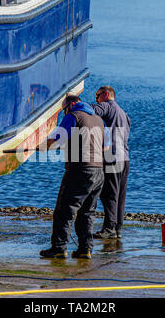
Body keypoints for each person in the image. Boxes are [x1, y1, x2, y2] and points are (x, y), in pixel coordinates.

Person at [37, 95, 109, 259]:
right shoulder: (98, 119)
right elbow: (106, 146)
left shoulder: (73, 116)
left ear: (72, 104)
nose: (64, 113)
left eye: (63, 110)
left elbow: (56, 139)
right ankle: (85, 249)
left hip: (79, 170)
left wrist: (40, 147)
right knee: (87, 212)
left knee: (64, 211)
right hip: (98, 171)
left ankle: (59, 248)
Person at [91, 86, 131, 239]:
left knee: (109, 194)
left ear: (106, 94)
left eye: (97, 96)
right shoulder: (124, 114)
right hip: (125, 158)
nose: (96, 99)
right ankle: (117, 228)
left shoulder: (108, 106)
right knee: (120, 195)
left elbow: (94, 110)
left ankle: (109, 228)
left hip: (112, 157)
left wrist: (77, 104)